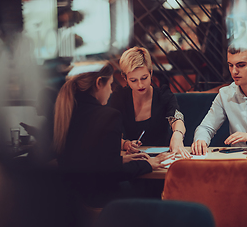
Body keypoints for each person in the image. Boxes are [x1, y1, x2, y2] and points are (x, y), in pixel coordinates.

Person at [54, 61, 174, 208]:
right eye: (110, 85)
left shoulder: (65, 112)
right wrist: (148, 164)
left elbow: (86, 160)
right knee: (148, 191)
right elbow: (112, 173)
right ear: (99, 83)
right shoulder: (108, 116)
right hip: (102, 201)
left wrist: (124, 159)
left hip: (69, 200)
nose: (111, 91)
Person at [192, 47, 247, 155]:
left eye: (241, 65)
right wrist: (201, 140)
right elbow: (206, 127)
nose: (234, 71)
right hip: (237, 160)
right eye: (231, 65)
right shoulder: (225, 94)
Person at [110, 47, 191, 159]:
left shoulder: (163, 95)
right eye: (133, 80)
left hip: (162, 158)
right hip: (133, 161)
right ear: (125, 78)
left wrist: (177, 134)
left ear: (151, 73)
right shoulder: (119, 96)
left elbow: (176, 117)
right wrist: (125, 144)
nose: (140, 85)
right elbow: (109, 133)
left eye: (144, 78)